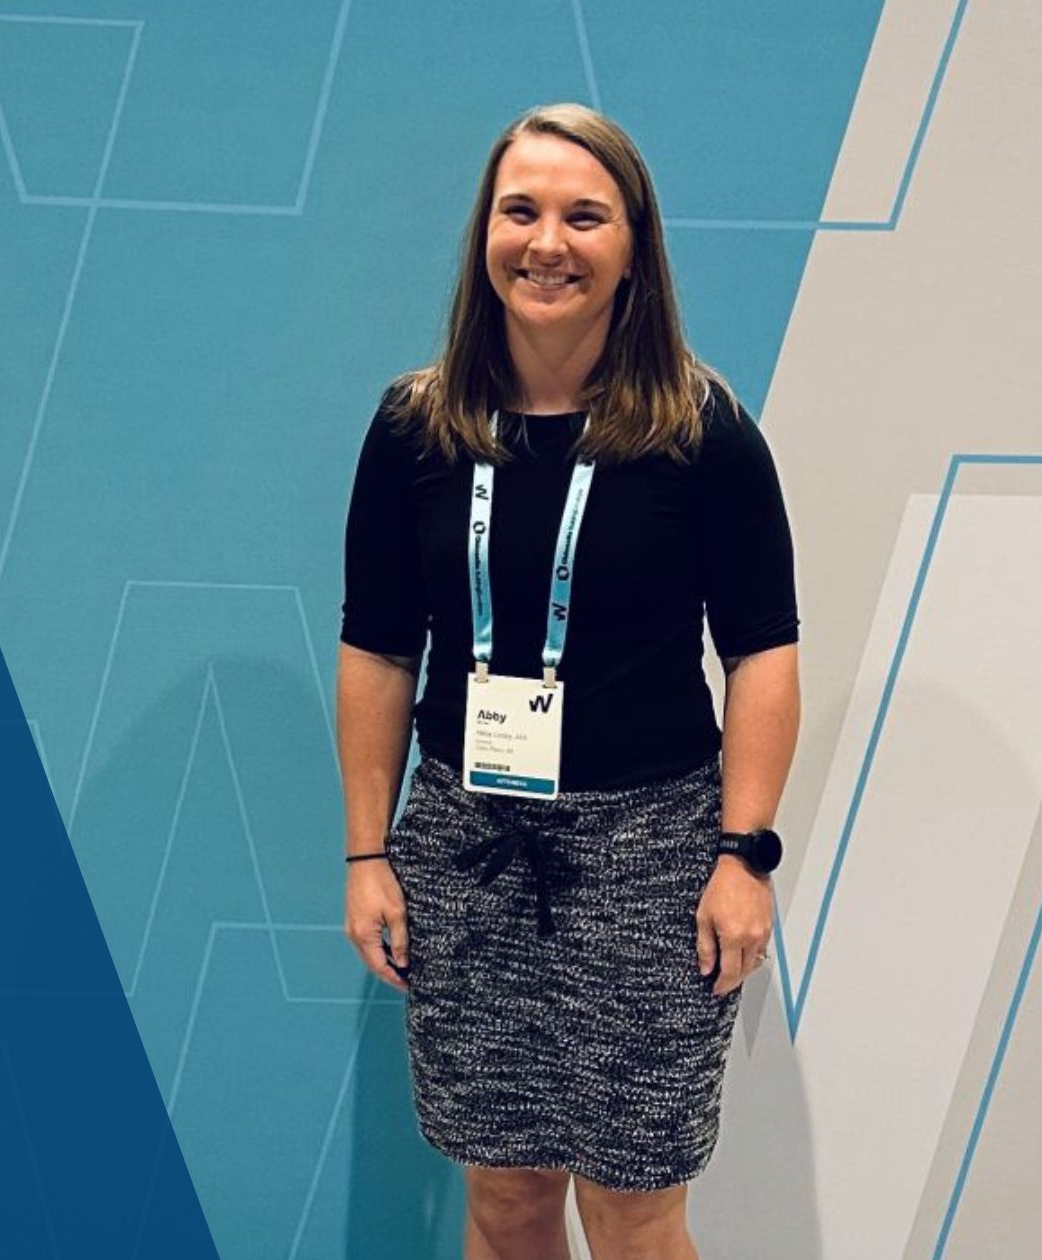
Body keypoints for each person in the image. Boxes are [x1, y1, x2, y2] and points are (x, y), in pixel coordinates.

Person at [336, 103, 800, 1260]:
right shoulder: (413, 428)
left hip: (649, 864)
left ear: (632, 247)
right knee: (501, 1202)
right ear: (482, 235)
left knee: (635, 1214)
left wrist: (741, 858)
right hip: (466, 853)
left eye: (583, 216)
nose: (547, 242)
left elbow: (761, 652)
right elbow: (377, 648)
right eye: (520, 211)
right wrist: (366, 851)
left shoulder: (703, 431)